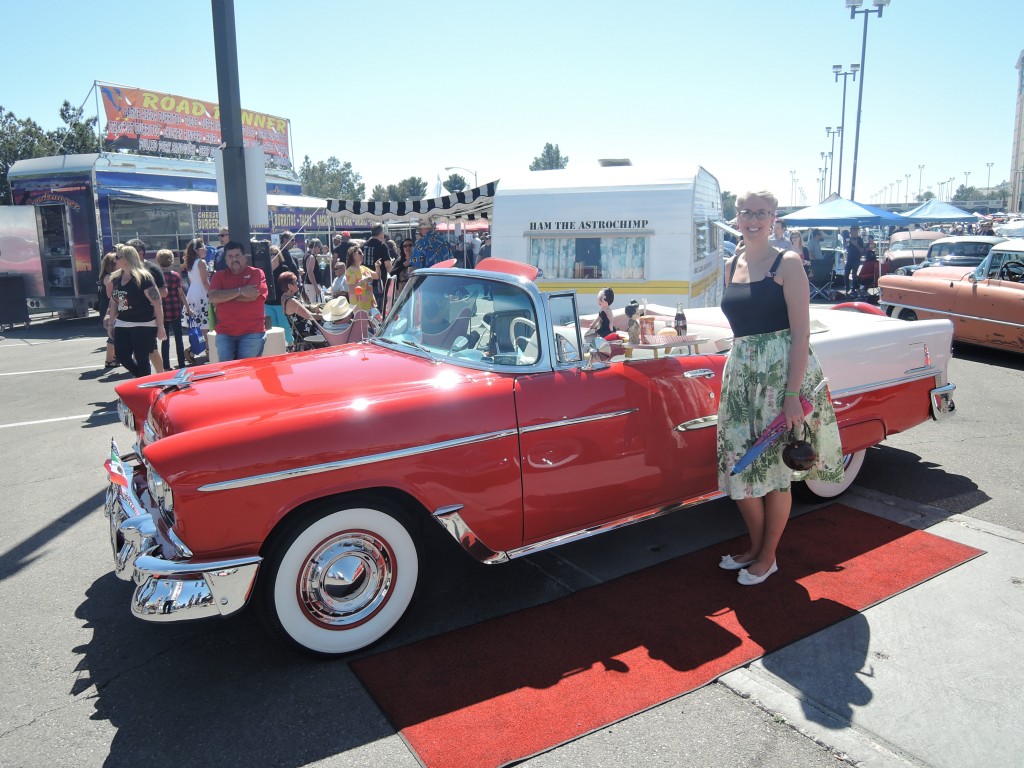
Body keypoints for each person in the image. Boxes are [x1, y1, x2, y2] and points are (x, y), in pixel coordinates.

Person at [717, 191, 844, 585]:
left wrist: (792, 396)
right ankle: (756, 548)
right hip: (741, 375)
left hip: (778, 377)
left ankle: (768, 557)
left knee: (775, 472)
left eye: (762, 213)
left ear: (774, 218)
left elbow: (801, 332)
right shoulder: (730, 263)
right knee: (740, 467)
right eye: (746, 212)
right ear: (736, 217)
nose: (753, 219)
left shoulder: (786, 262)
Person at [107, 244, 166, 378]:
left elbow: (157, 303)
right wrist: (111, 322)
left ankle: (145, 387)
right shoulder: (116, 278)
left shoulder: (144, 278)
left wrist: (160, 326)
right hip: (123, 322)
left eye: (117, 257)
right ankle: (142, 378)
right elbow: (114, 301)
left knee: (142, 358)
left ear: (127, 259)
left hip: (144, 324)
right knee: (122, 356)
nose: (114, 260)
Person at [208, 241, 268, 361]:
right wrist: (241, 291)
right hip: (225, 333)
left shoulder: (256, 273)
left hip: (252, 333)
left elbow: (252, 296)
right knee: (227, 373)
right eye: (230, 256)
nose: (234, 259)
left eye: (237, 255)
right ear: (225, 260)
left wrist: (224, 297)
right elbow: (213, 297)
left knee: (247, 373)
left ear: (245, 258)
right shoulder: (219, 276)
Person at [127, 238, 167, 374]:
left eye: (130, 252)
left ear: (140, 253)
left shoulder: (152, 269)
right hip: (131, 317)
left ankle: (160, 377)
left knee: (150, 349)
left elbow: (164, 292)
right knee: (144, 350)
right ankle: (147, 377)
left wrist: (145, 296)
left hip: (149, 317)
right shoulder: (127, 271)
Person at [156, 249, 190, 369]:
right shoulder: (175, 275)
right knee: (178, 339)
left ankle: (166, 365)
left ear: (158, 261)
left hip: (162, 310)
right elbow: (181, 294)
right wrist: (188, 308)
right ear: (171, 261)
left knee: (164, 340)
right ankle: (181, 363)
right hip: (175, 308)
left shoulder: (156, 276)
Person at [184, 238, 211, 359]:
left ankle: (196, 349)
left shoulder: (190, 263)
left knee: (199, 323)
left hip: (193, 292)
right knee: (205, 323)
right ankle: (208, 349)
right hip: (201, 293)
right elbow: (205, 282)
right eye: (203, 248)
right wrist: (212, 293)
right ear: (197, 250)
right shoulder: (201, 262)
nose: (205, 249)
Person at [263, 244, 295, 347]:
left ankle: (290, 345)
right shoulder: (264, 270)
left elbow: (292, 284)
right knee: (272, 328)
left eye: (274, 254)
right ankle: (276, 347)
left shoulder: (284, 268)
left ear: (279, 255)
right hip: (268, 302)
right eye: (270, 254)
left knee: (284, 326)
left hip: (281, 303)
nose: (272, 256)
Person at [96, 251, 119, 369]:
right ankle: (109, 360)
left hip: (110, 306)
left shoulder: (109, 276)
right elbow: (112, 295)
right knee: (112, 334)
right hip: (109, 307)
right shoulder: (109, 277)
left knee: (115, 333)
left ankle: (114, 358)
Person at [362, 224, 393, 309]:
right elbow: (388, 265)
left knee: (366, 308)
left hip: (364, 282)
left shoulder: (363, 245)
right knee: (378, 309)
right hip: (378, 284)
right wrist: (394, 274)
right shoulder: (382, 245)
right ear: (381, 232)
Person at [345, 243, 377, 312]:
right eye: (359, 253)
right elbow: (351, 289)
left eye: (362, 253)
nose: (362, 255)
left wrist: (377, 267)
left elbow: (377, 276)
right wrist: (362, 281)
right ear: (352, 255)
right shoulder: (350, 271)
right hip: (359, 305)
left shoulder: (363, 268)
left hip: (369, 304)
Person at [844, 225, 865, 295]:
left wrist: (856, 244)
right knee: (846, 273)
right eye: (852, 230)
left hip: (856, 259)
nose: (852, 232)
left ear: (857, 231)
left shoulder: (860, 239)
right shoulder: (848, 239)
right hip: (849, 259)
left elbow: (862, 250)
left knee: (854, 275)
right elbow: (846, 248)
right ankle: (847, 288)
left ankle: (853, 288)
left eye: (854, 230)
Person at [303, 239, 325, 304]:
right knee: (319, 305)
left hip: (310, 284)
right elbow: (310, 272)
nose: (319, 250)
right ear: (316, 247)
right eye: (319, 248)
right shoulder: (311, 257)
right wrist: (315, 286)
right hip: (312, 285)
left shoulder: (307, 255)